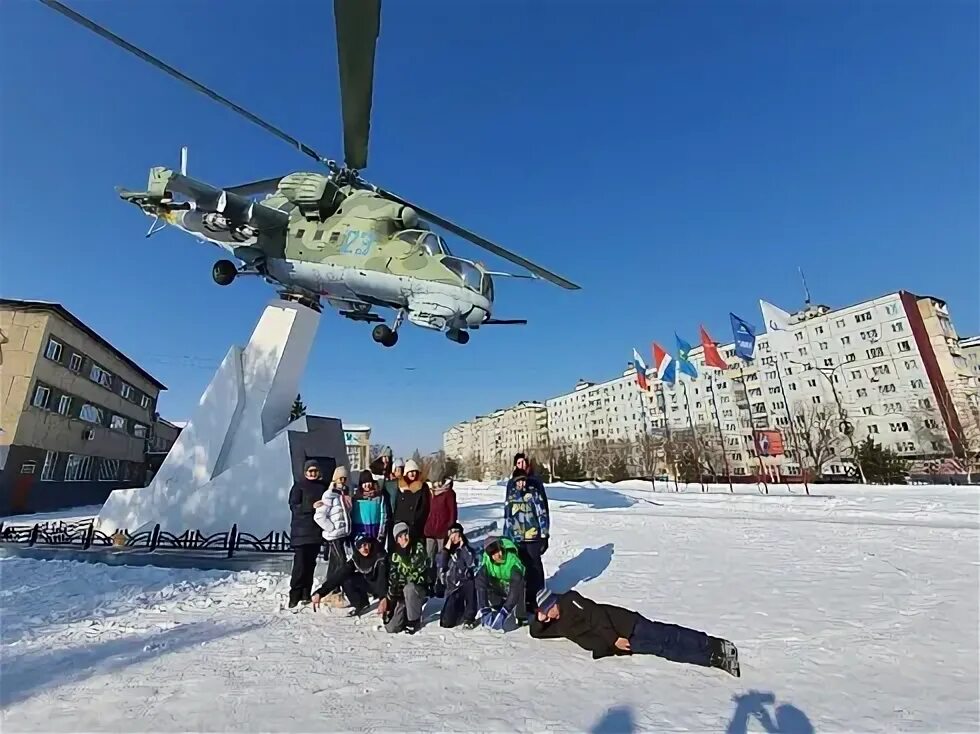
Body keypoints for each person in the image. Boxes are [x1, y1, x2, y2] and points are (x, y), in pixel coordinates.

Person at [529, 587, 740, 676]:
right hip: (618, 644)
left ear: (554, 601)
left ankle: (713, 644)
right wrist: (540, 619)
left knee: (668, 634)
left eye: (549, 609)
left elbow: (596, 615)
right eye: (546, 613)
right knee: (664, 650)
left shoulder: (570, 600)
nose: (550, 615)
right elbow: (536, 633)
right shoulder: (559, 625)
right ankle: (714, 659)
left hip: (626, 624)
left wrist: (614, 639)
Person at [503, 465, 550, 615]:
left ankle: (537, 596)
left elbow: (542, 513)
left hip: (533, 536)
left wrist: (544, 535)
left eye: (523, 481)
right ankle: (524, 598)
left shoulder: (534, 493)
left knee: (534, 566)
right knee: (521, 566)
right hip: (517, 537)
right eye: (519, 481)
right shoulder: (511, 495)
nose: (522, 484)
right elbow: (507, 518)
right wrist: (506, 537)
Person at [310, 533, 387, 617]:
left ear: (369, 543)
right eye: (360, 547)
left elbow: (382, 579)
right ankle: (360, 604)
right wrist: (320, 593)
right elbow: (339, 575)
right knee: (346, 578)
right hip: (369, 583)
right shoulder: (356, 558)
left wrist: (383, 598)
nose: (364, 549)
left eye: (365, 545)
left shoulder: (380, 555)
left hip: (383, 586)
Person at [313, 465, 353, 607]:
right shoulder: (329, 494)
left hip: (343, 533)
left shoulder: (344, 494)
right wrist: (331, 528)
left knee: (334, 564)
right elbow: (319, 516)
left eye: (344, 478)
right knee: (342, 564)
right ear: (335, 479)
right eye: (340, 478)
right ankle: (336, 591)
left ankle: (328, 591)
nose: (342, 481)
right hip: (334, 535)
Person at [288, 460, 326, 608]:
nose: (313, 474)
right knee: (300, 566)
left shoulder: (322, 487)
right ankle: (294, 594)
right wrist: (311, 506)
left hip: (315, 532)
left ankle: (306, 592)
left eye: (315, 471)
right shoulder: (298, 486)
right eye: (310, 471)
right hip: (301, 532)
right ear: (305, 472)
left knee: (310, 564)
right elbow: (294, 506)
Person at [380, 522, 430, 634]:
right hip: (401, 594)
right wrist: (389, 599)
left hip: (417, 589)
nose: (404, 538)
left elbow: (417, 573)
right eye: (400, 536)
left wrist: (405, 556)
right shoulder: (394, 555)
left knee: (409, 588)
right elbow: (393, 578)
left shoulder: (418, 548)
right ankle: (402, 613)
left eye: (406, 534)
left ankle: (414, 621)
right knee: (391, 628)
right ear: (397, 540)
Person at [476, 536, 526, 632]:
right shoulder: (487, 562)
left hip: (512, 587)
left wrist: (505, 611)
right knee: (482, 577)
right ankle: (497, 606)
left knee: (520, 584)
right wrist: (484, 608)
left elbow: (516, 584)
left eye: (498, 551)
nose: (497, 556)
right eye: (493, 554)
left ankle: (521, 616)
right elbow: (480, 583)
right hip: (498, 587)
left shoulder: (512, 559)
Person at [435, 522, 478, 629]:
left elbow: (471, 563)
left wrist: (462, 546)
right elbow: (441, 564)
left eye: (456, 534)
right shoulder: (445, 552)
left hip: (465, 585)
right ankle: (458, 609)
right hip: (452, 589)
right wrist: (447, 548)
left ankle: (469, 616)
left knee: (470, 582)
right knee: (446, 622)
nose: (454, 537)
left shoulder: (467, 549)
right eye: (451, 534)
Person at [350, 469, 392, 546]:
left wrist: (381, 532)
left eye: (369, 482)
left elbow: (383, 514)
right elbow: (352, 515)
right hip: (360, 530)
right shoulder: (356, 498)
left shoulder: (379, 497)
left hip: (375, 530)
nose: (367, 485)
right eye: (364, 483)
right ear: (361, 484)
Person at [423, 476, 458, 567]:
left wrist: (449, 527)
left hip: (442, 530)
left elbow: (452, 512)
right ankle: (428, 577)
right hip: (429, 528)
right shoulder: (429, 491)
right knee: (428, 556)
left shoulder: (449, 493)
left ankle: (440, 577)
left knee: (441, 557)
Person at [393, 459, 430, 543]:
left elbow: (425, 506)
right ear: (406, 473)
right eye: (410, 471)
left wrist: (418, 520)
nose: (413, 474)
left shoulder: (423, 487)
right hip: (402, 526)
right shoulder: (401, 487)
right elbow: (397, 506)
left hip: (417, 526)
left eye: (414, 471)